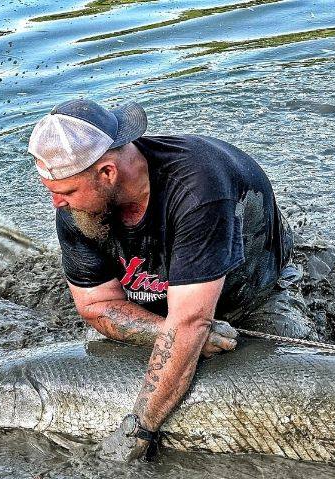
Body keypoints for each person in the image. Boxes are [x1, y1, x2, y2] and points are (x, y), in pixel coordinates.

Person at [27, 99, 297, 462]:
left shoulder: (197, 189)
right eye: (52, 189)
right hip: (162, 308)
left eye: (67, 191)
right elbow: (94, 305)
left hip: (246, 293)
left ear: (108, 172)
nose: (56, 202)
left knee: (291, 392)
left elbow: (190, 321)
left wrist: (141, 427)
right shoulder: (77, 209)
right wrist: (163, 333)